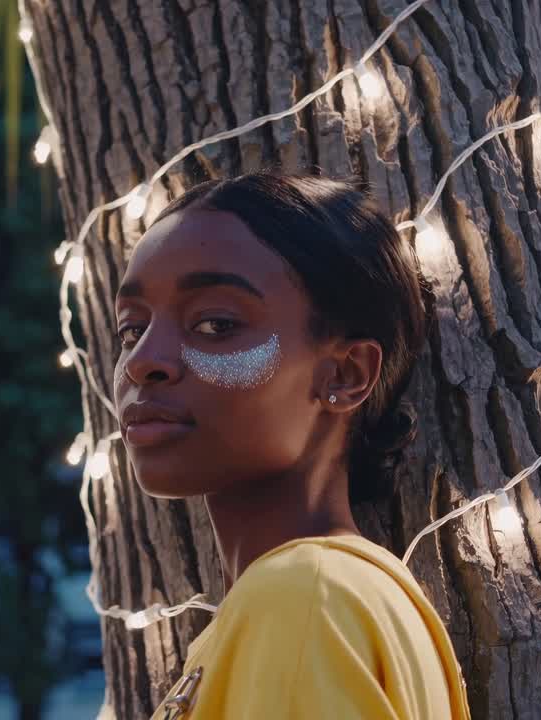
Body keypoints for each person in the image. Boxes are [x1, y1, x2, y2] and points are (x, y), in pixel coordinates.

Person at [111, 170, 472, 719]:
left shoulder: (304, 598)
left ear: (346, 374)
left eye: (214, 324)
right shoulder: (329, 598)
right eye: (131, 330)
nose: (142, 362)